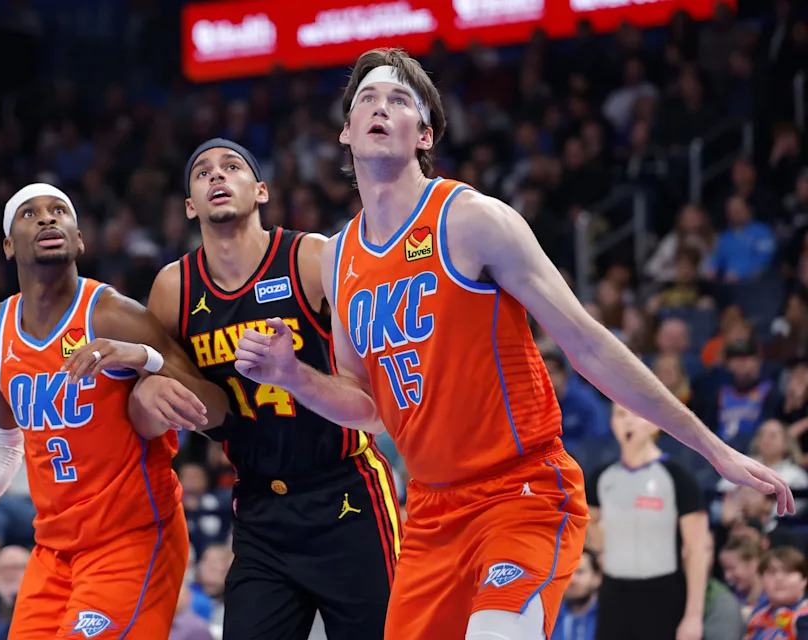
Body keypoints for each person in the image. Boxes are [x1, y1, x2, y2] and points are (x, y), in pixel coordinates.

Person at [234, 47, 795, 640]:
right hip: (429, 510)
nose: (381, 107)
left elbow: (588, 343)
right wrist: (293, 376)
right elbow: (369, 408)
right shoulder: (339, 256)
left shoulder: (471, 219)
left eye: (400, 99)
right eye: (367, 99)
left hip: (520, 491)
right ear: (346, 131)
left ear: (425, 133)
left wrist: (715, 450)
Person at [0, 183, 229, 638]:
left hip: (133, 538)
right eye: (30, 214)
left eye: (59, 211)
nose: (47, 219)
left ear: (79, 238)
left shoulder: (113, 315)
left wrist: (145, 358)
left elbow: (217, 409)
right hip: (54, 551)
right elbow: (2, 441)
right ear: (8, 245)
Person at [134, 138, 398, 639]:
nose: (217, 176)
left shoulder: (311, 258)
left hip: (346, 491)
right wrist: (147, 390)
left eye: (231, 167)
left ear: (259, 191)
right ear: (190, 204)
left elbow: (370, 395)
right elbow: (165, 392)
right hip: (259, 505)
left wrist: (292, 373)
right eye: (203, 172)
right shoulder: (174, 288)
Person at [587, 404, 709, 640]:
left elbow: (697, 550)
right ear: (612, 424)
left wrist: (693, 616)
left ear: (655, 424)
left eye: (636, 413)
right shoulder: (600, 478)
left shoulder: (677, 476)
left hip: (663, 595)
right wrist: (602, 547)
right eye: (621, 415)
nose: (628, 422)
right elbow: (587, 524)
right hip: (614, 595)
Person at [745, 547, 808, 638]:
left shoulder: (804, 617)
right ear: (762, 579)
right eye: (772, 572)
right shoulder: (757, 615)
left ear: (804, 580)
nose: (779, 578)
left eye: (788, 572)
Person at [551, 549, 600, 640]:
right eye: (567, 573)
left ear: (596, 578)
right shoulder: (550, 618)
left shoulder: (611, 619)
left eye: (580, 572)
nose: (572, 579)